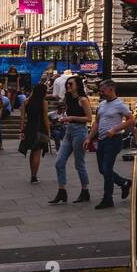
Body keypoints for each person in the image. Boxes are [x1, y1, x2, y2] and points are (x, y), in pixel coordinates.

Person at [88, 79, 135, 209]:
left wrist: (115, 129)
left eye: (103, 90)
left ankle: (108, 198)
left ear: (111, 89)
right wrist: (89, 138)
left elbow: (131, 120)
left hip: (114, 140)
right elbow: (96, 122)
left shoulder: (119, 104)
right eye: (100, 91)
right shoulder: (102, 104)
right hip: (102, 140)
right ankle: (124, 183)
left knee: (107, 169)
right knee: (102, 169)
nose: (101, 93)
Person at [49, 76, 92, 205]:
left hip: (80, 131)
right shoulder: (68, 97)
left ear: (77, 85)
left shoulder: (83, 99)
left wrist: (71, 117)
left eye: (70, 84)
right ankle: (62, 191)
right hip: (69, 131)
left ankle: (85, 191)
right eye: (67, 84)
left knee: (79, 163)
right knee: (59, 162)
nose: (68, 86)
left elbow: (89, 118)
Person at [18, 82, 51, 183]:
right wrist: (49, 131)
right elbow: (45, 118)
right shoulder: (43, 102)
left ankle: (32, 174)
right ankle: (34, 176)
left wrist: (22, 130)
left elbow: (22, 118)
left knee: (32, 152)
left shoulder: (26, 102)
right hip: (40, 128)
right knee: (37, 153)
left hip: (29, 128)